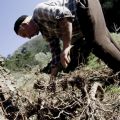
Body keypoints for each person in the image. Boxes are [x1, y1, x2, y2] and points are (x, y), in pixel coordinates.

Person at [14, 0, 120, 77]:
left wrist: (66, 47)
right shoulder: (45, 33)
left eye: (24, 34)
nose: (28, 37)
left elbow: (65, 15)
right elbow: (56, 54)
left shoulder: (39, 12)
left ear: (24, 25)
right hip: (83, 21)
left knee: (97, 44)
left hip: (84, 4)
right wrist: (52, 79)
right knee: (106, 40)